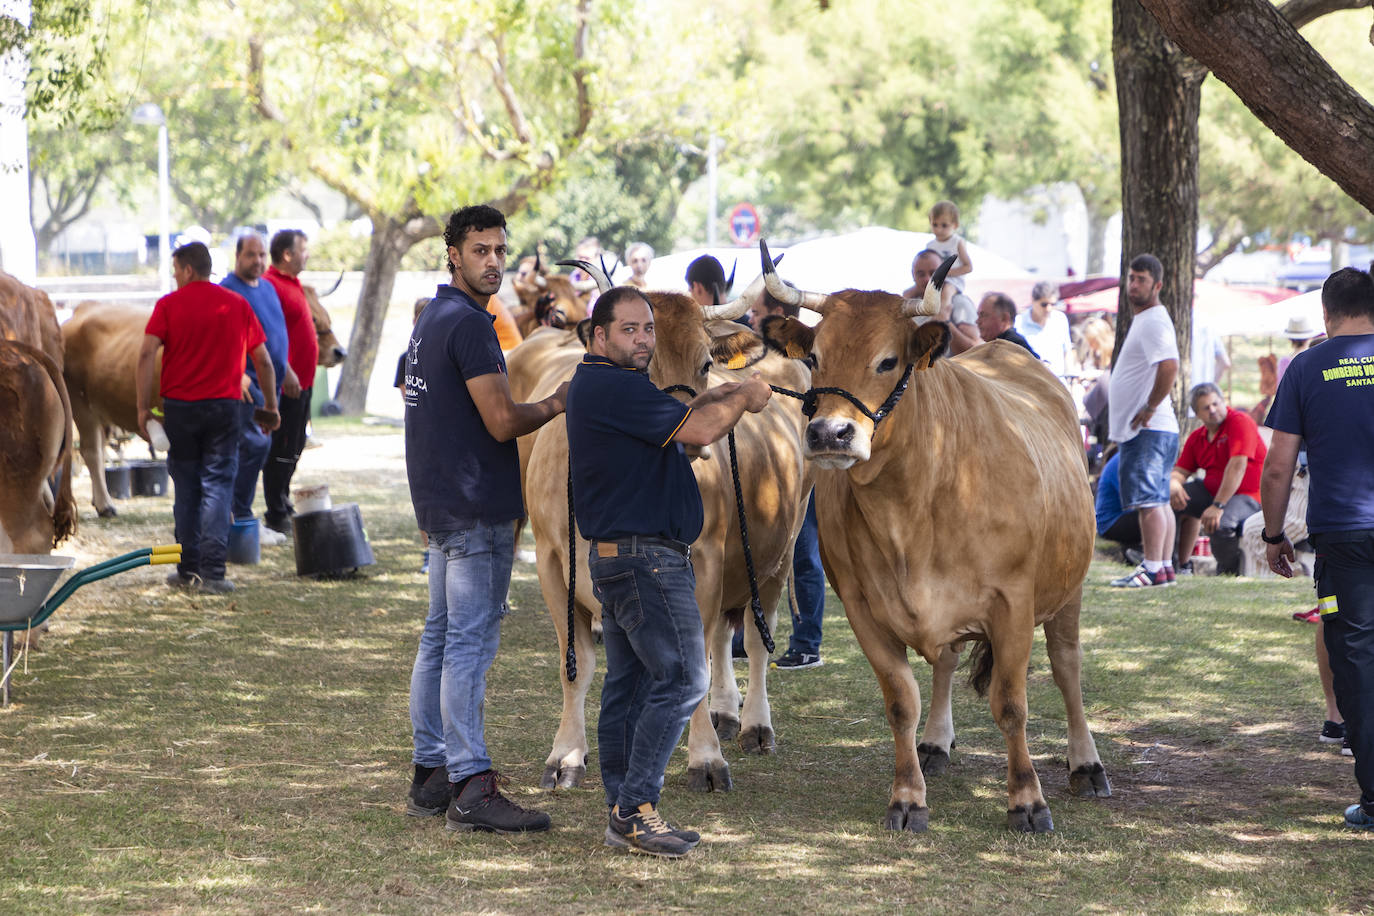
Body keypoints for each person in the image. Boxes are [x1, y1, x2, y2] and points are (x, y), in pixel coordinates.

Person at [566, 286, 772, 857]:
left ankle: (620, 807)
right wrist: (748, 394)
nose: (642, 340)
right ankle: (635, 810)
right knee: (685, 678)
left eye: (648, 329)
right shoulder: (614, 386)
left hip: (624, 558)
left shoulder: (610, 386)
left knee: (630, 684)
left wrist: (724, 387)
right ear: (599, 336)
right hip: (646, 560)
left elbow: (685, 415)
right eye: (628, 330)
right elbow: (700, 431)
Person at [403, 205, 568, 834]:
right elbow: (501, 421)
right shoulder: (471, 324)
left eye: (500, 250)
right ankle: (471, 783)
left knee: (441, 636)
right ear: (453, 254)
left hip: (445, 503)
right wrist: (558, 401)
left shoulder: (433, 319)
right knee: (466, 642)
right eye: (480, 251)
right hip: (474, 508)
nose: (493, 261)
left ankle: (431, 774)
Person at [1261, 266, 1374, 830]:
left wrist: (1274, 534)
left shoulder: (1307, 366)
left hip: (1343, 536)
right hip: (1348, 533)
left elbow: (1279, 464)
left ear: (1326, 316)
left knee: (1355, 656)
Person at [137, 242, 278, 595]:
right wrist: (272, 406)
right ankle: (213, 574)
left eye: (175, 271)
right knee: (217, 486)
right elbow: (263, 360)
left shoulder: (168, 305)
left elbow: (145, 354)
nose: (174, 278)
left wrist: (142, 407)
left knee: (187, 487)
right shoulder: (237, 304)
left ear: (187, 269)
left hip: (180, 408)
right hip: (224, 409)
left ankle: (187, 571)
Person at [738, 285, 827, 670]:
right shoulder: (775, 356)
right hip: (781, 465)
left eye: (759, 313)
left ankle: (807, 643)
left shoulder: (801, 359)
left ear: (777, 316)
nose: (753, 320)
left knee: (802, 555)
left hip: (801, 468)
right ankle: (749, 637)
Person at [1107, 253, 1180, 588]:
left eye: (1141, 280)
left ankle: (1151, 567)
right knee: (1159, 499)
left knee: (1148, 501)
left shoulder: (1152, 320)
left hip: (1149, 428)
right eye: (1131, 278)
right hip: (1153, 429)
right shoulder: (1147, 319)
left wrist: (1149, 407)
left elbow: (1169, 366)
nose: (1133, 285)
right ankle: (1163, 567)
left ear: (1158, 285)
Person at [222, 233, 294, 548]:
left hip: (271, 388)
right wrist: (236, 376)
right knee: (249, 449)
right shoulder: (227, 291)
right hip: (245, 391)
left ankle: (241, 516)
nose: (258, 261)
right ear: (237, 256)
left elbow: (273, 335)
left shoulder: (267, 288)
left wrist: (286, 368)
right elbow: (220, 342)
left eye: (262, 255)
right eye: (251, 255)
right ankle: (238, 518)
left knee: (259, 451)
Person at [1169, 383, 1266, 575]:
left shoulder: (1240, 421)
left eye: (1216, 404)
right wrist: (1173, 484)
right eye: (1206, 407)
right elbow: (1180, 470)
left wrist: (1218, 506)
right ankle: (1173, 565)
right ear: (1197, 414)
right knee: (1168, 502)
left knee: (1221, 525)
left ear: (1224, 402)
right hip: (1213, 493)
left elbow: (1237, 466)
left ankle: (1228, 572)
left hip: (1250, 495)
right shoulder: (1198, 437)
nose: (1213, 410)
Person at [261, 229, 317, 537]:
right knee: (281, 447)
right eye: (303, 249)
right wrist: (286, 373)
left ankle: (283, 499)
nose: (306, 254)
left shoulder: (292, 284)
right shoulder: (271, 286)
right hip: (286, 385)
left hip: (304, 383)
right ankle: (276, 511)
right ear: (287, 254)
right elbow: (268, 337)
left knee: (295, 445)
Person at [905, 249, 979, 353]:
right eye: (921, 274)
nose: (928, 279)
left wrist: (945, 323)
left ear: (946, 273)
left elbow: (975, 351)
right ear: (913, 275)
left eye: (934, 273)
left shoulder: (959, 303)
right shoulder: (909, 307)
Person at [925, 199, 974, 323]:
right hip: (935, 280)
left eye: (944, 225)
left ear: (955, 225)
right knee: (912, 291)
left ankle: (941, 315)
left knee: (946, 289)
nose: (939, 229)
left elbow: (968, 267)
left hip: (953, 281)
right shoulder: (930, 245)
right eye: (935, 225)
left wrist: (948, 272)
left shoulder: (957, 242)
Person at [1015, 280, 1075, 380]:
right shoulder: (1018, 323)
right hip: (1029, 384)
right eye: (1044, 304)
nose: (1049, 309)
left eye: (1053, 304)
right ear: (1033, 301)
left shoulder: (1060, 319)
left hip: (1058, 384)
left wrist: (1070, 379)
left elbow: (1067, 351)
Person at [1095, 451, 1143, 565]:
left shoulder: (1135, 457)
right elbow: (1132, 502)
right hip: (1111, 522)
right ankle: (1163, 561)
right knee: (1155, 513)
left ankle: (1180, 562)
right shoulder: (1125, 460)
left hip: (1127, 516)